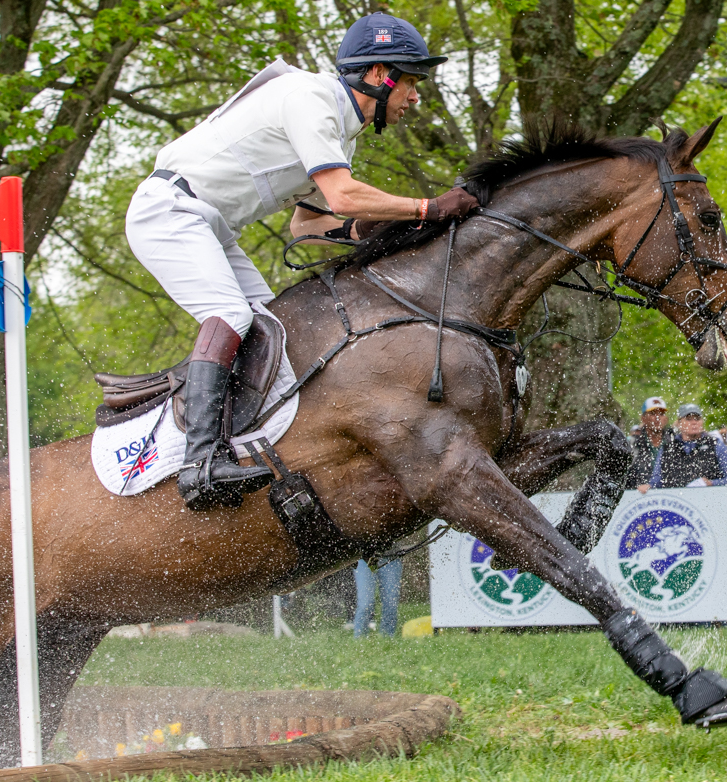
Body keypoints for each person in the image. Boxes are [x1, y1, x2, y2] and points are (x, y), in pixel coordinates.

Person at [125, 13, 479, 510]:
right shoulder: (312, 98)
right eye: (411, 82)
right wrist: (428, 208)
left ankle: (248, 445)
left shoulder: (340, 131)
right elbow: (342, 196)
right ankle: (200, 463)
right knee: (232, 316)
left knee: (276, 329)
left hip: (209, 225)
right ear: (380, 75)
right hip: (169, 211)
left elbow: (308, 226)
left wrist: (389, 229)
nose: (415, 98)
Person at [666, 404, 727, 487]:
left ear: (702, 422)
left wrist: (712, 483)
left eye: (697, 419)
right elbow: (656, 480)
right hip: (677, 498)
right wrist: (649, 485)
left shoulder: (715, 444)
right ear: (679, 423)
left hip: (710, 497)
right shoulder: (669, 447)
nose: (694, 422)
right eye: (689, 419)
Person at [627, 397, 674, 492]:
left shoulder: (674, 443)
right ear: (643, 418)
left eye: (661, 414)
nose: (657, 418)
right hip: (637, 499)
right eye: (652, 414)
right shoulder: (632, 444)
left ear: (666, 419)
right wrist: (635, 487)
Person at [353, 558, 402, 637]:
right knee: (365, 604)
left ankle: (387, 638)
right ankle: (360, 639)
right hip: (364, 559)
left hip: (391, 558)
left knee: (391, 603)